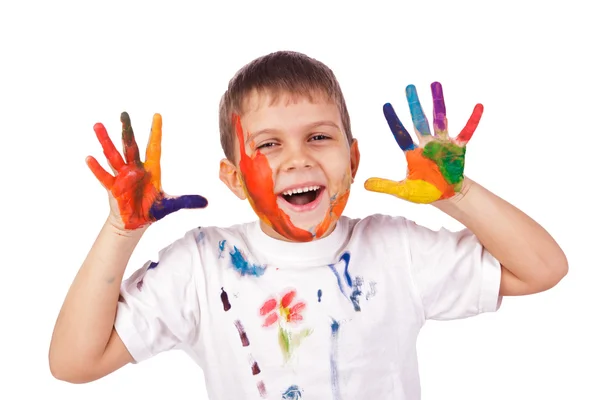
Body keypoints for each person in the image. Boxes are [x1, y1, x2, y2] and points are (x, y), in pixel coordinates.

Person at [48, 51, 568, 399]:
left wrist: (457, 194)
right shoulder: (203, 265)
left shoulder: (394, 249)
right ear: (233, 178)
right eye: (268, 145)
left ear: (353, 158)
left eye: (319, 137)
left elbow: (543, 269)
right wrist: (122, 229)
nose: (296, 160)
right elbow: (75, 362)